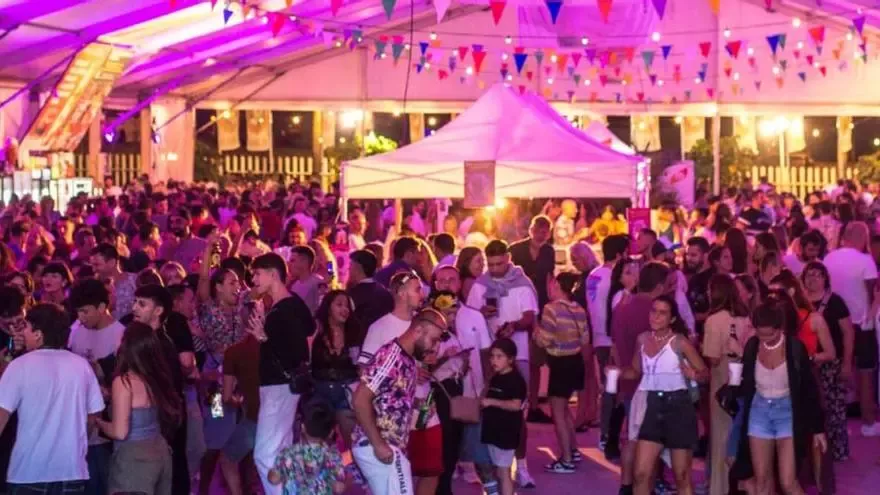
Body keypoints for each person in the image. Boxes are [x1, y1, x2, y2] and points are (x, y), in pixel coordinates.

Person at [0, 303, 105, 494]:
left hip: (28, 471)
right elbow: (94, 413)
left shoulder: (19, 366)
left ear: (38, 333)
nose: (23, 334)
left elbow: (1, 414)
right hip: (72, 471)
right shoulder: (81, 366)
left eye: (26, 328)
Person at [613, 295, 708, 495]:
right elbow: (635, 371)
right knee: (641, 473)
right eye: (653, 311)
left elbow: (705, 374)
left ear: (672, 319)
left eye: (662, 313)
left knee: (682, 475)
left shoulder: (679, 342)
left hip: (679, 407)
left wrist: (694, 374)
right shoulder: (642, 339)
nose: (655, 316)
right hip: (652, 405)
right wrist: (617, 371)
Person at [731, 302, 827, 495]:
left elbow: (809, 390)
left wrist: (817, 429)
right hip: (759, 412)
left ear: (780, 329)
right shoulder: (752, 346)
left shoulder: (794, 348)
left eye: (770, 334)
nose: (764, 339)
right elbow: (744, 385)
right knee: (762, 482)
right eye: (760, 333)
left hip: (787, 412)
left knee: (788, 482)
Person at [350, 308, 448, 495]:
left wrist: (418, 404)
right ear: (418, 330)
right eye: (433, 340)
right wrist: (378, 444)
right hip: (378, 446)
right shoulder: (391, 356)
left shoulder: (409, 361)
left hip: (386, 447)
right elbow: (360, 399)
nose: (435, 348)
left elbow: (391, 398)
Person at [466, 239, 539, 488]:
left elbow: (530, 316)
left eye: (500, 263)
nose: (495, 269)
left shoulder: (522, 283)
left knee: (519, 413)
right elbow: (469, 316)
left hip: (517, 355)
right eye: (491, 264)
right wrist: (481, 313)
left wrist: (514, 326)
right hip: (488, 355)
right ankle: (492, 469)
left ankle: (523, 467)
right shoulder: (480, 285)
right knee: (488, 410)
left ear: (508, 258)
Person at [243, 252, 316, 495]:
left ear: (273, 274)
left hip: (279, 387)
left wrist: (265, 337)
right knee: (281, 452)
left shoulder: (285, 309)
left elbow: (297, 353)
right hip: (279, 387)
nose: (253, 279)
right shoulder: (289, 305)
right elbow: (310, 330)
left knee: (264, 454)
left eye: (257, 273)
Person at [97, 322, 183, 495]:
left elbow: (120, 432)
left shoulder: (124, 382)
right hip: (160, 454)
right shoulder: (155, 377)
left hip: (134, 462)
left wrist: (98, 421)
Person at [430, 266, 493, 495]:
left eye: (452, 279)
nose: (447, 284)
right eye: (441, 280)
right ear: (435, 284)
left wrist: (487, 384)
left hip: (470, 390)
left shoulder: (474, 315)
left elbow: (486, 353)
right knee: (444, 442)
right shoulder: (427, 319)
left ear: (460, 283)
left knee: (468, 440)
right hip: (441, 391)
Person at [131, 284, 197, 495]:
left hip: (163, 424)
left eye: (142, 304)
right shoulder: (148, 340)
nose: (134, 308)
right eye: (135, 302)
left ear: (158, 311)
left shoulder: (159, 344)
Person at [67, 278, 126, 495]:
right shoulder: (76, 332)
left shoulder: (120, 335)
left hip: (106, 424)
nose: (81, 318)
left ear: (102, 307)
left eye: (85, 312)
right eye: (78, 312)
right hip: (79, 423)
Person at [822, 221, 879, 436]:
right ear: (862, 237)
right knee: (865, 373)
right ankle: (868, 421)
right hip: (861, 323)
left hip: (834, 323)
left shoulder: (829, 258)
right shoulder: (865, 261)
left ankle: (835, 423)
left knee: (834, 374)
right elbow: (872, 291)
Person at [701, 275, 752, 495]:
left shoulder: (714, 320)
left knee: (721, 438)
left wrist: (701, 345)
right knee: (737, 434)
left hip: (722, 383)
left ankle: (719, 488)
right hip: (742, 381)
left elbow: (712, 357)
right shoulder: (745, 317)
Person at [535, 272, 588, 473]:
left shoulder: (551, 309)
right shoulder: (580, 309)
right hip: (575, 362)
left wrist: (536, 333)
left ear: (556, 285)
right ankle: (573, 450)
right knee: (565, 410)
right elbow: (585, 339)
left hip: (560, 363)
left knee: (557, 413)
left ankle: (566, 459)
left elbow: (545, 340)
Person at [802, 261, 854, 461]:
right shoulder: (800, 302)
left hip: (831, 364)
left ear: (825, 278)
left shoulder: (835, 302)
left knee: (835, 409)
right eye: (809, 274)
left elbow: (848, 333)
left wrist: (847, 363)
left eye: (817, 274)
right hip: (808, 363)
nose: (813, 278)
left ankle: (839, 452)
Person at [509, 215, 555, 424]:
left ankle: (534, 405)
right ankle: (515, 401)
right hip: (518, 307)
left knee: (536, 359)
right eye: (538, 229)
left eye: (545, 231)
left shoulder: (549, 251)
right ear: (531, 229)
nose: (541, 234)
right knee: (515, 357)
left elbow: (548, 280)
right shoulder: (516, 249)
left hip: (541, 306)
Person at [587, 234, 630, 460]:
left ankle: (606, 434)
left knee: (609, 389)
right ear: (619, 254)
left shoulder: (593, 275)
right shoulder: (614, 277)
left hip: (599, 338)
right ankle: (610, 435)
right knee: (616, 390)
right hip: (613, 341)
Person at [311, 290, 360, 448]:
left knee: (352, 443)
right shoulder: (317, 330)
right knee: (319, 445)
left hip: (346, 393)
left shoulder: (354, 333)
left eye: (347, 306)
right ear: (328, 307)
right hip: (320, 392)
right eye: (339, 304)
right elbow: (306, 358)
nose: (344, 309)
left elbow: (359, 366)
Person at [480, 338, 527, 495]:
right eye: (492, 356)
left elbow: (515, 405)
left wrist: (492, 402)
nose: (494, 360)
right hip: (493, 431)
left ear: (511, 359)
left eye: (499, 356)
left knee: (503, 472)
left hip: (506, 433)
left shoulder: (515, 380)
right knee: (497, 471)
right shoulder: (496, 377)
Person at [268, 399, 345, 495]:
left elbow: (274, 479)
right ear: (331, 433)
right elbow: (339, 488)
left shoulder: (288, 453)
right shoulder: (333, 455)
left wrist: (272, 472)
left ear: (303, 427)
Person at [220, 327, 262, 495]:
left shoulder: (233, 352)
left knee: (226, 456)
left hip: (248, 415)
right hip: (276, 416)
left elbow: (226, 396)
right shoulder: (275, 349)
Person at [358, 271, 424, 366]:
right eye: (417, 290)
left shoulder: (422, 322)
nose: (422, 295)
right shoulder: (378, 328)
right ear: (402, 293)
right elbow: (364, 367)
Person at [347, 249, 394, 350]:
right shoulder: (385, 292)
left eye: (350, 266)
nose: (348, 270)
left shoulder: (353, 295)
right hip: (385, 346)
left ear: (357, 268)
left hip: (361, 348)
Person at [90, 243, 138, 320]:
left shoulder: (134, 281)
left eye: (97, 265)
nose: (93, 270)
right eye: (92, 265)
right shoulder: (93, 287)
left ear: (112, 262)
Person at [288, 245, 322, 315]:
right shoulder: (294, 285)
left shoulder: (318, 282)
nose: (289, 264)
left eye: (293, 260)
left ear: (304, 262)